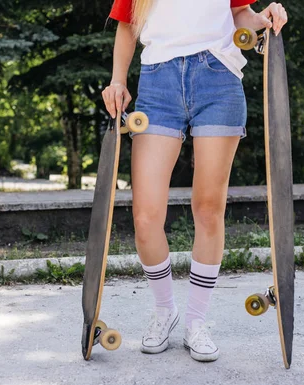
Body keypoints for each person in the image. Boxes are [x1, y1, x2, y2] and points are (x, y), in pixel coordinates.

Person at [102, 0, 288, 362]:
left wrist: (264, 19)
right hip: (158, 83)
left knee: (207, 208)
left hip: (217, 79)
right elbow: (127, 23)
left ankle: (196, 321)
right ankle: (164, 310)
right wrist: (117, 80)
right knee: (145, 217)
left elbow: (238, 14)